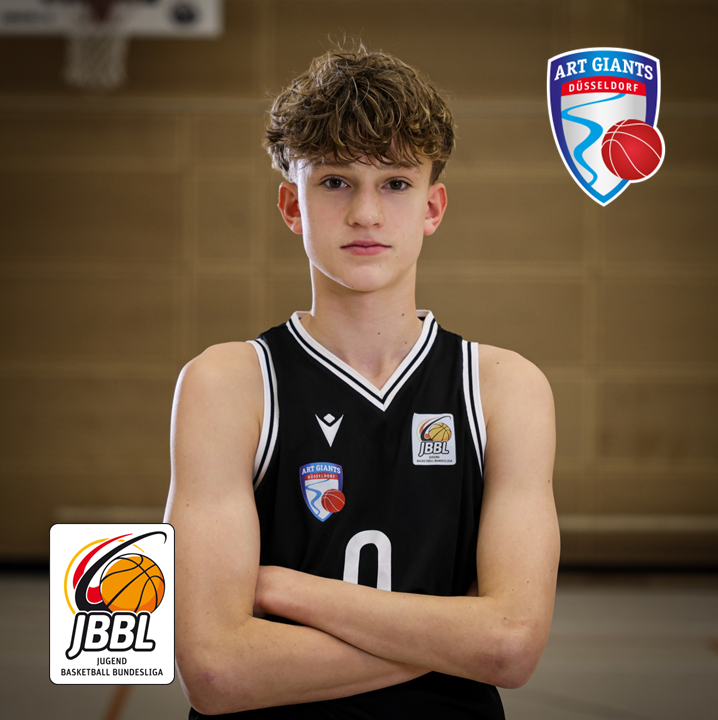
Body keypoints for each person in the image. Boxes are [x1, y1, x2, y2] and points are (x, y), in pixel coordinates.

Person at [164, 45, 560, 719]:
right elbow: (215, 671)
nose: (367, 213)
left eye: (396, 183)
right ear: (292, 205)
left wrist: (287, 590)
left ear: (433, 207)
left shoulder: (503, 389)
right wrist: (456, 638)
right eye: (335, 181)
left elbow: (510, 649)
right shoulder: (228, 384)